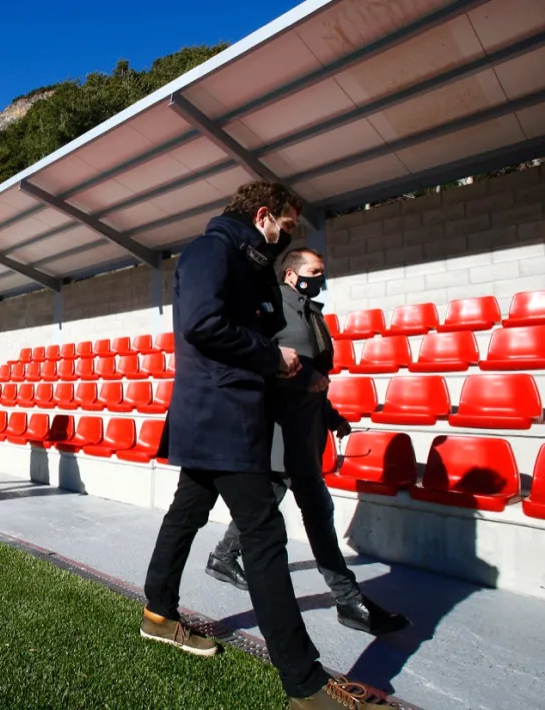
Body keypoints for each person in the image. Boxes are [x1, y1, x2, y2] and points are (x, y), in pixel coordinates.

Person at [139, 182, 378, 709]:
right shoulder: (212, 250)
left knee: (186, 512)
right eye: (286, 226)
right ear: (264, 215)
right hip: (220, 415)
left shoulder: (253, 266)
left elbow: (266, 342)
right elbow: (204, 325)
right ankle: (306, 686)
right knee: (265, 538)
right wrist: (275, 361)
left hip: (227, 413)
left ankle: (158, 614)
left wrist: (300, 375)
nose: (287, 236)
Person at [205, 248, 410, 637]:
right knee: (319, 512)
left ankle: (222, 555)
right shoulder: (274, 306)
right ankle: (348, 599)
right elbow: (262, 361)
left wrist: (331, 415)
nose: (321, 277)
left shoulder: (311, 312)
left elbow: (316, 374)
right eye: (315, 271)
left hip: (307, 427)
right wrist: (303, 381)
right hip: (284, 429)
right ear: (291, 274)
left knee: (273, 495)